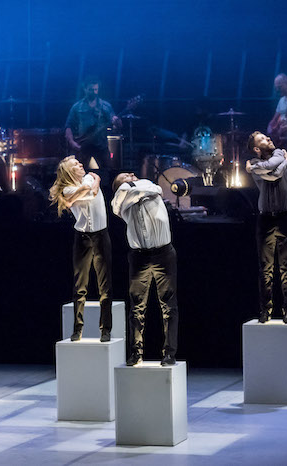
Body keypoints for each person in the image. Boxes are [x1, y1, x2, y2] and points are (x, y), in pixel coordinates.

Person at [111, 172, 178, 366]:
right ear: (118, 186)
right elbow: (117, 207)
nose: (131, 175)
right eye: (125, 176)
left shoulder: (145, 184)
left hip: (163, 253)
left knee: (169, 305)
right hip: (139, 256)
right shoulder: (121, 197)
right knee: (137, 306)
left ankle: (169, 353)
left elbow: (155, 188)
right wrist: (131, 190)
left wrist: (132, 191)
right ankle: (135, 352)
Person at [49, 156, 112, 342]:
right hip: (82, 237)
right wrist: (86, 189)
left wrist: (93, 183)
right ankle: (78, 328)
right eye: (76, 165)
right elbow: (74, 197)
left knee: (105, 284)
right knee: (80, 284)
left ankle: (105, 329)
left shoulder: (90, 179)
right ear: (70, 172)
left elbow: (91, 192)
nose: (81, 165)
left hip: (101, 235)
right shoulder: (68, 188)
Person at [245, 131, 287, 323]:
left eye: (267, 137)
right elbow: (275, 175)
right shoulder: (255, 164)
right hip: (265, 219)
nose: (269, 139)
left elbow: (275, 170)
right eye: (263, 140)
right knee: (265, 268)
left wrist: (283, 162)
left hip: (284, 216)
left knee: (286, 267)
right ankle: (265, 310)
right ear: (257, 149)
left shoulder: (278, 153)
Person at [65, 77, 121, 175]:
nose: (94, 92)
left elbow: (116, 123)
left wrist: (116, 121)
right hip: (83, 145)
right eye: (91, 89)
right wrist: (71, 141)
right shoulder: (77, 107)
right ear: (85, 89)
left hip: (101, 145)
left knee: (110, 171)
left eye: (96, 89)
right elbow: (68, 125)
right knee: (78, 173)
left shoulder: (105, 106)